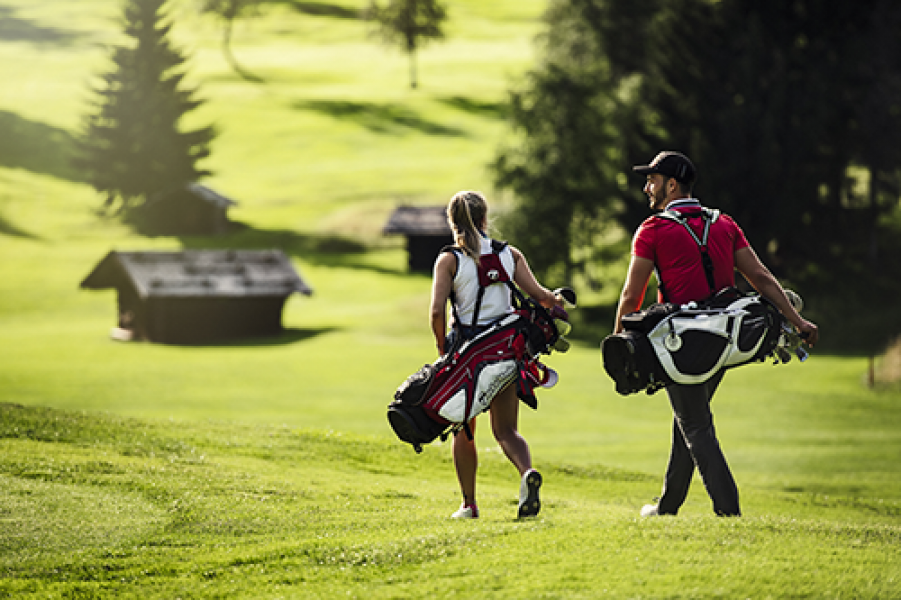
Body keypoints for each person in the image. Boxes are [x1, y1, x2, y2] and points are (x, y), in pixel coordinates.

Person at [614, 151, 819, 517]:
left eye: (653, 180)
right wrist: (797, 321)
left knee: (694, 424)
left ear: (671, 185)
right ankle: (667, 506)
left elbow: (632, 295)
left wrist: (617, 344)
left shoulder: (654, 229)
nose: (647, 187)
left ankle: (729, 512)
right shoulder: (723, 222)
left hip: (681, 343)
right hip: (724, 341)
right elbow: (761, 277)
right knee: (690, 419)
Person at [429, 190, 561, 519]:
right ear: (486, 219)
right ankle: (527, 472)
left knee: (465, 429)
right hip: (507, 353)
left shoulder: (449, 260)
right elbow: (541, 297)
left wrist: (442, 349)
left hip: (467, 356)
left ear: (452, 222)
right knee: (506, 431)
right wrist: (557, 300)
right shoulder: (509, 255)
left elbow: (436, 313)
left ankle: (469, 504)